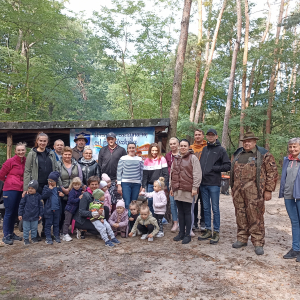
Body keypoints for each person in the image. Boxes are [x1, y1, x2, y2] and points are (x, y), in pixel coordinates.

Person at [230, 131, 278, 255]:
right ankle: (241, 238)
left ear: (255, 142)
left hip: (255, 192)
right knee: (240, 215)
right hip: (238, 192)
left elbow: (272, 172)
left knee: (255, 217)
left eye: (249, 141)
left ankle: (258, 242)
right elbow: (232, 172)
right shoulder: (237, 153)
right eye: (245, 141)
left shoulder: (263, 154)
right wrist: (232, 188)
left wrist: (268, 190)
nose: (247, 143)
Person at [198, 129, 231, 245]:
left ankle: (216, 231)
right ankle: (208, 229)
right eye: (209, 135)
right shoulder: (205, 149)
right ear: (206, 137)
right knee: (205, 208)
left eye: (212, 135)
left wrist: (214, 168)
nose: (210, 137)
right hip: (203, 183)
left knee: (215, 209)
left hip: (214, 184)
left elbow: (228, 165)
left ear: (216, 136)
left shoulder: (221, 150)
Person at [170, 139, 202, 245]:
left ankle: (188, 234)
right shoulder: (176, 159)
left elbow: (197, 174)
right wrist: (171, 187)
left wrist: (195, 187)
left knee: (188, 212)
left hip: (188, 189)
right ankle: (181, 233)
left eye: (185, 146)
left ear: (189, 147)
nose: (183, 147)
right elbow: (172, 173)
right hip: (177, 189)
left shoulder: (193, 158)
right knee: (180, 212)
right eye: (181, 146)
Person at [0, 142, 27, 245]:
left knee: (15, 212)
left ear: (25, 151)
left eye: (23, 150)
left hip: (21, 190)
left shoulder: (25, 161)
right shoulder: (10, 162)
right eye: (19, 150)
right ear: (15, 151)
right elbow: (1, 175)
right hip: (10, 189)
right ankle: (6, 235)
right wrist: (10, 180)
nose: (21, 152)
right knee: (9, 212)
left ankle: (11, 233)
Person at [279, 138, 300, 260]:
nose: (292, 149)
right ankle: (296, 249)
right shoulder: (287, 160)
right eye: (291, 146)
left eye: (295, 146)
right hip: (289, 195)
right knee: (294, 222)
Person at [56, 146, 83, 233]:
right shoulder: (58, 164)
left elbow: (80, 177)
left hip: (74, 191)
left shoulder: (76, 164)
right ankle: (61, 230)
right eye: (65, 154)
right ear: (62, 154)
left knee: (73, 210)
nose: (67, 156)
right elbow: (57, 177)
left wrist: (75, 188)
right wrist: (63, 189)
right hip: (62, 190)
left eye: (69, 154)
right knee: (63, 211)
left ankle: (72, 229)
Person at [142, 143, 169, 214]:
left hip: (160, 186)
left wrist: (163, 185)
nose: (154, 152)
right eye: (153, 150)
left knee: (159, 203)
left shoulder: (162, 159)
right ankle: (152, 220)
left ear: (158, 151)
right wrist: (144, 186)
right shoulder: (147, 160)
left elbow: (166, 174)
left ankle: (158, 220)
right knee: (150, 202)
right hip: (150, 185)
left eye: (156, 150)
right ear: (150, 151)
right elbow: (145, 175)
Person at [117, 143, 144, 209]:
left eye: (133, 148)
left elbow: (141, 172)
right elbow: (119, 172)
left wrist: (141, 185)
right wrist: (119, 185)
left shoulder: (139, 159)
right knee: (127, 203)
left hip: (136, 184)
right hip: (125, 184)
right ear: (127, 149)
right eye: (130, 148)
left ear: (135, 149)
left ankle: (133, 218)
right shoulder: (123, 158)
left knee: (134, 203)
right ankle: (127, 218)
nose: (131, 149)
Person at [190, 129, 207, 231]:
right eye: (196, 134)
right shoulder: (191, 148)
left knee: (204, 202)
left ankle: (203, 222)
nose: (197, 136)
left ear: (203, 136)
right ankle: (194, 222)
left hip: (205, 179)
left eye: (199, 134)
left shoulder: (207, 148)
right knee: (194, 202)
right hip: (193, 179)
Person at [18, 180, 43, 245]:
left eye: (32, 188)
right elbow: (21, 205)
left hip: (35, 216)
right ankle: (26, 239)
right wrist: (20, 214)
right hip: (26, 216)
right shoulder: (25, 196)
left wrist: (40, 214)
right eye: (29, 188)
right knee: (26, 229)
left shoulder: (38, 196)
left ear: (36, 189)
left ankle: (34, 238)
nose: (30, 190)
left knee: (34, 228)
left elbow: (41, 206)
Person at [41, 171, 64, 245]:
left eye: (52, 181)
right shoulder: (46, 187)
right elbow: (43, 196)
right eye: (49, 180)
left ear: (56, 181)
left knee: (56, 224)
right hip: (48, 210)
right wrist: (49, 189)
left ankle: (56, 235)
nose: (50, 182)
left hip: (57, 209)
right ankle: (48, 237)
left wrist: (62, 195)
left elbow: (60, 198)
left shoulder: (58, 188)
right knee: (48, 224)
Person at [62, 177, 83, 242]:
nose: (77, 186)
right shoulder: (72, 192)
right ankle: (64, 234)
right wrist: (79, 199)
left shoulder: (79, 190)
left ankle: (66, 231)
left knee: (71, 222)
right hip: (69, 210)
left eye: (78, 185)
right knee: (67, 222)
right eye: (75, 185)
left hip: (74, 210)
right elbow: (71, 200)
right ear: (72, 185)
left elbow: (82, 189)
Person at [165, 137, 179, 232]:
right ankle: (175, 223)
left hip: (181, 182)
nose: (173, 145)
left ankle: (183, 222)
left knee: (181, 203)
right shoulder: (167, 156)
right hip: (170, 182)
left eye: (174, 143)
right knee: (173, 203)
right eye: (171, 144)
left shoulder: (182, 154)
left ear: (178, 144)